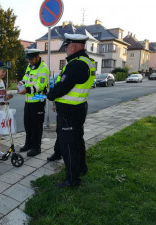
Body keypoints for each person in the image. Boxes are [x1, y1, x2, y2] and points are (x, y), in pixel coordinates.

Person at [47, 33, 96, 188]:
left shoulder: (76, 64)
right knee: (78, 140)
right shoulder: (87, 62)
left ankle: (72, 180)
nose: (66, 49)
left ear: (74, 46)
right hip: (79, 107)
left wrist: (50, 95)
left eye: (67, 46)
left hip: (69, 112)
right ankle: (81, 168)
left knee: (68, 145)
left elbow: (62, 87)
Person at [18, 49, 49, 157]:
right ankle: (29, 144)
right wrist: (21, 83)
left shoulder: (43, 68)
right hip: (29, 100)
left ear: (37, 57)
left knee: (37, 125)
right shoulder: (30, 66)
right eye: (28, 59)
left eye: (31, 59)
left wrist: (26, 90)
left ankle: (36, 147)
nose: (29, 61)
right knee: (28, 123)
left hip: (38, 100)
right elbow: (26, 78)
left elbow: (40, 86)